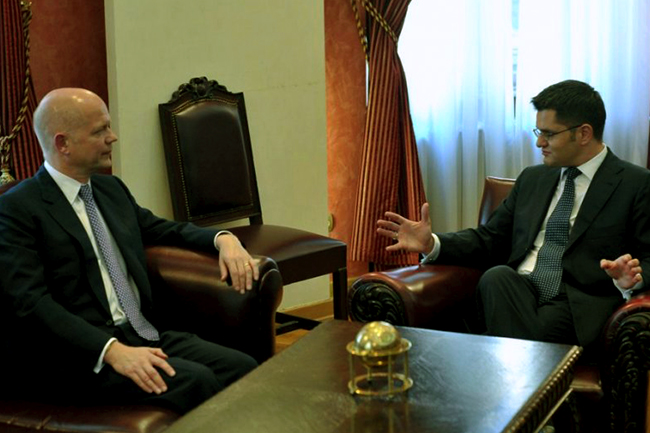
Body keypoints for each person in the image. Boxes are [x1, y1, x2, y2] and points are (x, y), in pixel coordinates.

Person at [0, 88, 261, 414]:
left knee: (244, 369)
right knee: (196, 381)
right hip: (79, 356)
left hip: (141, 333)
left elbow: (164, 229)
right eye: (100, 131)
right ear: (63, 143)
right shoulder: (17, 209)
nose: (113, 137)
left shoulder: (110, 190)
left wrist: (223, 239)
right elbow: (30, 303)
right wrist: (110, 350)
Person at [377, 80, 650, 350]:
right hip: (519, 291)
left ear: (584, 133)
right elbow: (490, 238)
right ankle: (529, 363)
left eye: (549, 134)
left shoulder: (636, 184)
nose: (539, 142)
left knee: (508, 324)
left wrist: (631, 279)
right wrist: (432, 244)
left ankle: (496, 353)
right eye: (538, 131)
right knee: (497, 278)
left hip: (575, 304)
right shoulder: (532, 178)